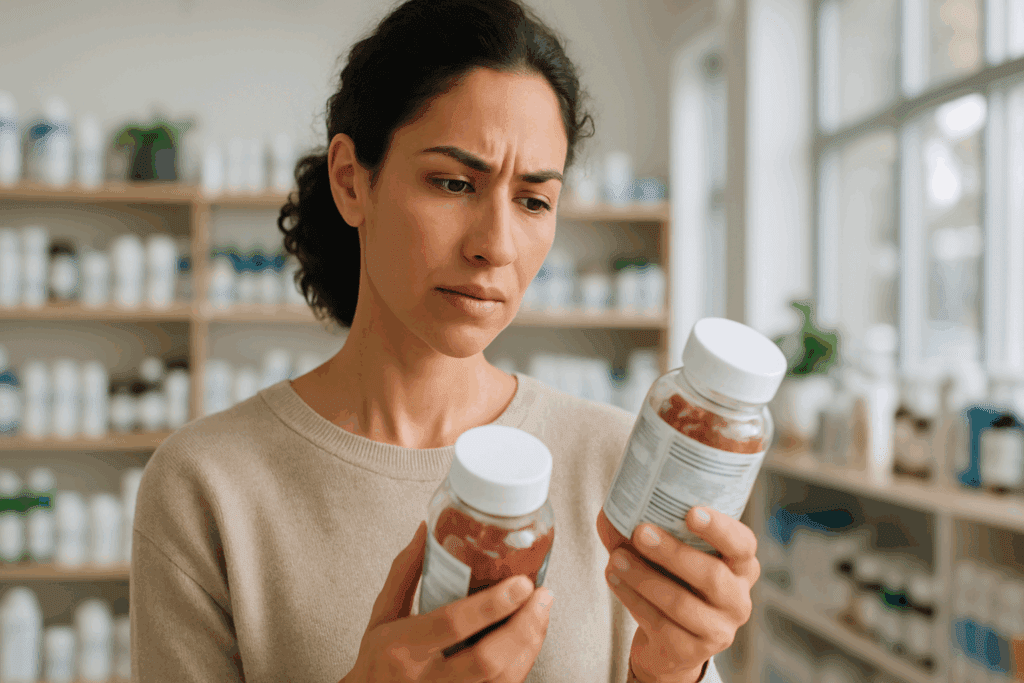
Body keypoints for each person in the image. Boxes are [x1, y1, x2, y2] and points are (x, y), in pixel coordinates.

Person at [129, 1, 760, 681]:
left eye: (533, 200)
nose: (495, 245)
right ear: (351, 180)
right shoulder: (208, 485)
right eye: (455, 183)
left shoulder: (613, 465)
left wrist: (674, 670)